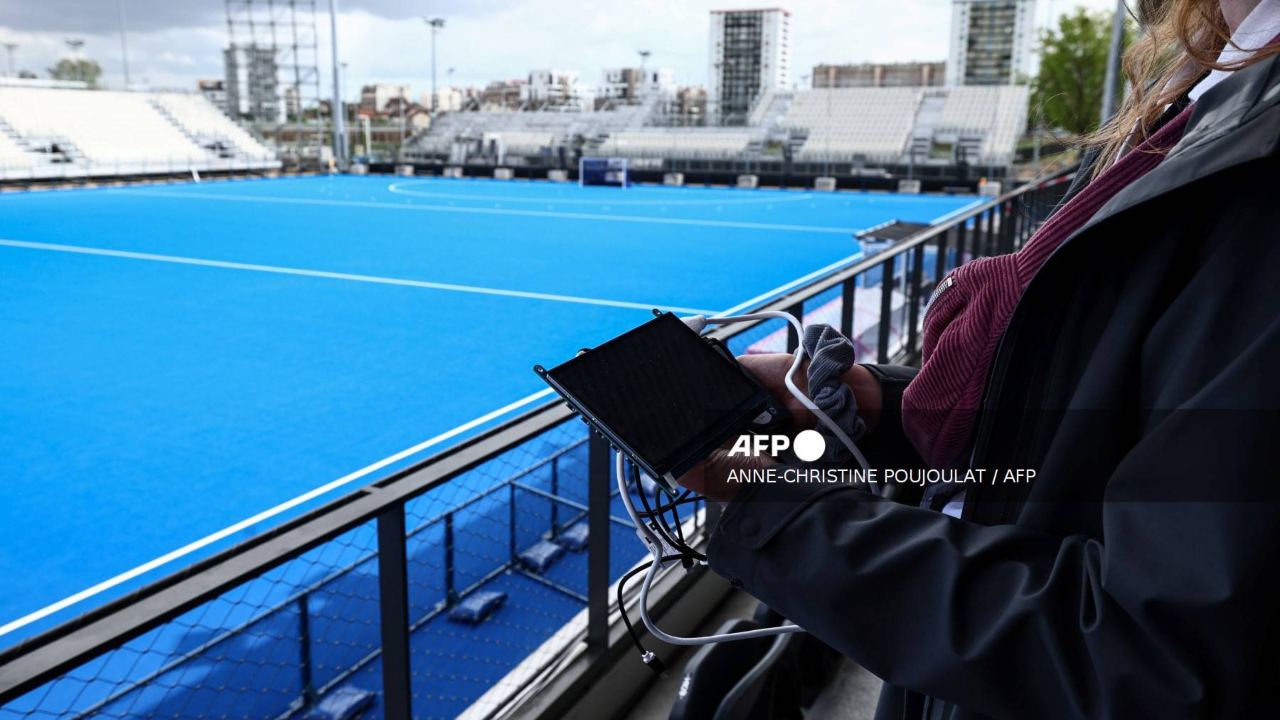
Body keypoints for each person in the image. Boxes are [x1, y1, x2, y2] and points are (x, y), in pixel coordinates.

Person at [677, 1, 1280, 717]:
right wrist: (875, 400)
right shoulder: (1213, 91)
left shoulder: (1251, 152)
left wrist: (778, 511)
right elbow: (1099, 420)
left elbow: (1155, 660)